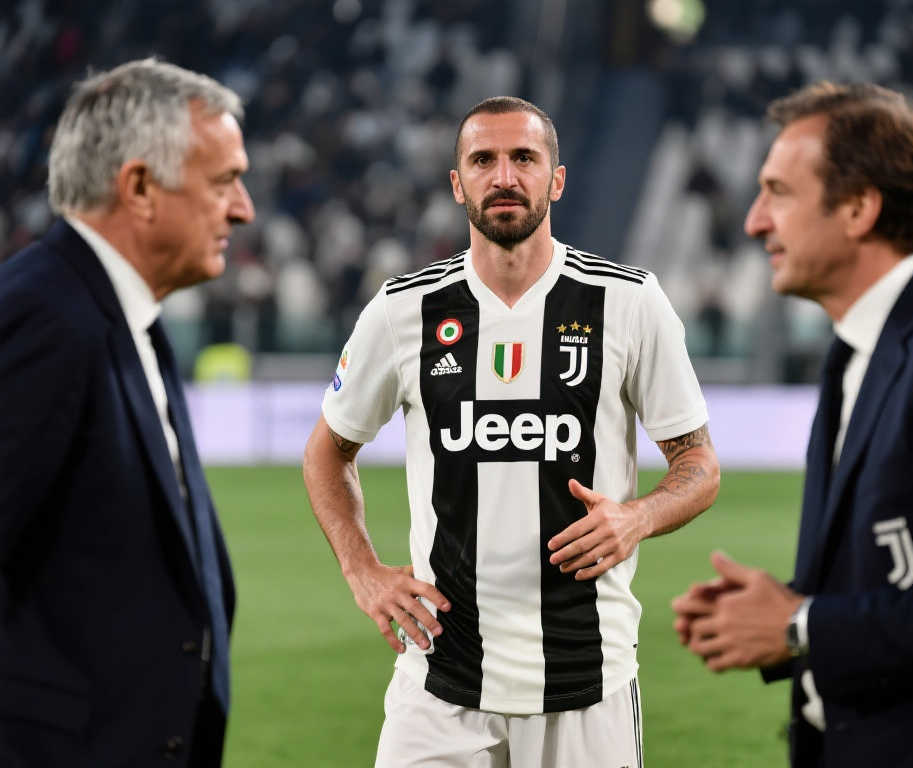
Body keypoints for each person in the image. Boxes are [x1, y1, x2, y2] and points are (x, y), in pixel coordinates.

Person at [303, 96, 719, 767]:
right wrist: (363, 571)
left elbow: (698, 463)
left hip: (588, 678)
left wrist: (638, 517)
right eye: (483, 160)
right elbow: (329, 450)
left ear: (556, 180)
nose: (504, 176)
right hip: (440, 679)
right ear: (457, 183)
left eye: (524, 158)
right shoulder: (403, 311)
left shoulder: (628, 302)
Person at [672, 81, 913, 767]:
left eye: (778, 193)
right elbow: (912, 575)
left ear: (860, 208)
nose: (754, 222)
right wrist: (783, 612)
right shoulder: (860, 347)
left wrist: (802, 625)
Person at [0, 59, 254, 766]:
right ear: (139, 186)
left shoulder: (119, 314)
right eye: (224, 181)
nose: (243, 209)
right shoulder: (45, 318)